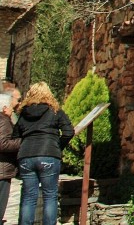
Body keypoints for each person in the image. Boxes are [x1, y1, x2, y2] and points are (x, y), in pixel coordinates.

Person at [14, 83, 73, 225]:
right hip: (49, 154)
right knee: (50, 195)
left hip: (26, 155)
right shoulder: (55, 111)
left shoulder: (23, 113)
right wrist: (57, 146)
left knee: (29, 196)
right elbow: (69, 132)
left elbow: (16, 135)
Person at [0, 90, 21, 225]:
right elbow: (3, 144)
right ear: (4, 107)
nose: (12, 110)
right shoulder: (4, 121)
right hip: (2, 169)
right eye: (10, 107)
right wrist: (22, 141)